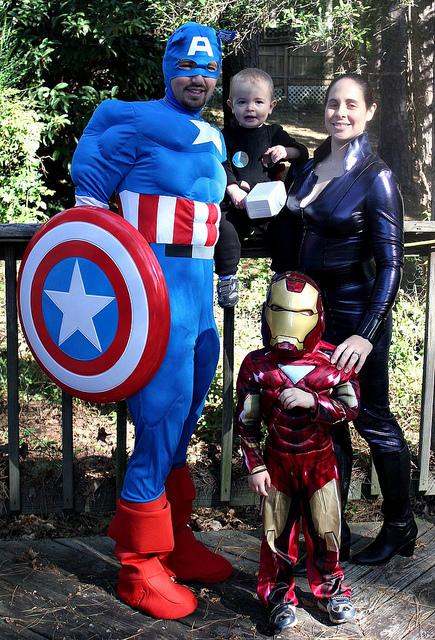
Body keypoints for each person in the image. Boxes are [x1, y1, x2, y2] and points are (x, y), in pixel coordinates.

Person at [70, 22, 235, 620]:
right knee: (161, 416)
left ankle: (174, 540)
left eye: (209, 69)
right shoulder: (135, 120)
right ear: (169, 70)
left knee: (185, 419)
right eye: (188, 66)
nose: (199, 78)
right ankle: (138, 565)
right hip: (155, 298)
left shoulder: (215, 136)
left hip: (199, 299)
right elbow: (88, 208)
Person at [267, 72, 417, 566]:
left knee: (371, 419)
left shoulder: (377, 177)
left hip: (357, 313)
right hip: (313, 316)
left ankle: (400, 525)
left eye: (352, 104)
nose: (340, 113)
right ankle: (334, 534)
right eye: (334, 103)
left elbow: (391, 265)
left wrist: (367, 334)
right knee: (324, 423)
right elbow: (289, 222)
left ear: (369, 111)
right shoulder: (311, 169)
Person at [235, 271, 359, 632]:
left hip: (320, 463)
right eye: (280, 310)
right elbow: (246, 422)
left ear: (316, 316)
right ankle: (278, 596)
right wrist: (256, 466)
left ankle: (331, 590)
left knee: (327, 532)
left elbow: (350, 408)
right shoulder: (257, 366)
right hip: (277, 465)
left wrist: (313, 402)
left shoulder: (333, 361)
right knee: (276, 536)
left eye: (301, 312)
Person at [214, 68, 308, 307]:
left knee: (287, 230)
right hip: (239, 204)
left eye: (258, 102)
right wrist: (233, 189)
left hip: (270, 206)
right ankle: (227, 278)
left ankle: (283, 278)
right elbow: (221, 165)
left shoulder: (273, 133)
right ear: (231, 105)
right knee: (224, 228)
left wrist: (286, 151)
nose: (250, 108)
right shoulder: (226, 136)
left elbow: (302, 153)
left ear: (271, 106)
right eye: (242, 102)